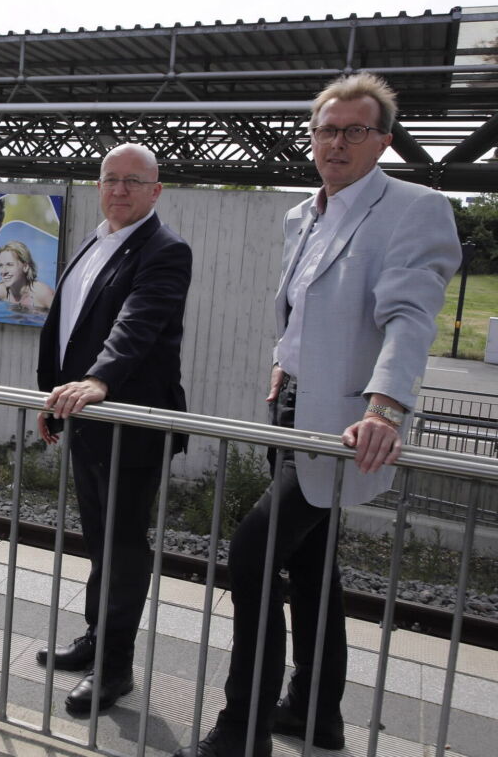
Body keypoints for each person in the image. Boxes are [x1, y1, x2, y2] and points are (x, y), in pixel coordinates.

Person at [175, 74, 461, 757]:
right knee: (311, 568)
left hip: (344, 424)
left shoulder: (412, 209)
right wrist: (285, 359)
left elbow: (409, 318)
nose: (337, 142)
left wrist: (385, 406)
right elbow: (306, 310)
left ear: (382, 141)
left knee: (252, 552)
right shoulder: (303, 215)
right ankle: (314, 714)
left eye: (354, 130)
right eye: (327, 130)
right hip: (291, 409)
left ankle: (241, 733)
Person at [35, 143, 192, 715]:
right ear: (99, 186)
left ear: (156, 191)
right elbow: (66, 327)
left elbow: (138, 323)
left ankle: (116, 669)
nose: (120, 189)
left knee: (124, 547)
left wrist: (99, 380)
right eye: (110, 179)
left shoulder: (165, 250)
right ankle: (95, 640)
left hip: (132, 423)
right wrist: (52, 398)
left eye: (133, 181)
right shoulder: (96, 240)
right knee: (99, 540)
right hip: (86, 419)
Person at [0, 240, 54, 311]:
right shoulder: (0, 291)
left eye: (10, 264)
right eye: (0, 265)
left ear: (25, 267)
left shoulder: (43, 294)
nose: (4, 271)